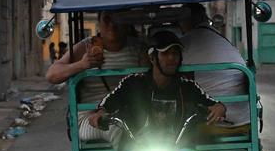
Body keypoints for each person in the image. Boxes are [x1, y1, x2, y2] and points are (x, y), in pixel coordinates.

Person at [88, 30, 225, 141]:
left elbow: (212, 103)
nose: (171, 58)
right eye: (165, 53)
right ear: (152, 58)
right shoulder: (133, 83)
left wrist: (219, 108)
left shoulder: (187, 86)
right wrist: (100, 113)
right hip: (138, 150)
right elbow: (110, 102)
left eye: (175, 53)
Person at [47, 12, 145, 141]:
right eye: (107, 19)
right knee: (118, 129)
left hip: (130, 113)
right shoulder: (86, 47)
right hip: (91, 117)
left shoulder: (138, 48)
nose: (112, 25)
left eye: (117, 19)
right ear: (99, 23)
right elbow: (52, 75)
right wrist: (82, 65)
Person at [179, 3, 249, 124]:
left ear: (184, 22)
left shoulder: (184, 42)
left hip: (211, 117)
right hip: (244, 117)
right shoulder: (223, 41)